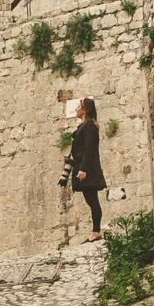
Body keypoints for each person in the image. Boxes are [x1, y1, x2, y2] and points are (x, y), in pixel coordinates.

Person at [59, 96, 107, 241]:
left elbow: (89, 149)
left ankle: (96, 232)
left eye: (78, 106)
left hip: (88, 170)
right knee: (91, 200)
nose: (76, 109)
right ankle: (95, 231)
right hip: (84, 167)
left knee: (92, 201)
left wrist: (84, 169)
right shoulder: (86, 126)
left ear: (84, 110)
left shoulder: (89, 127)